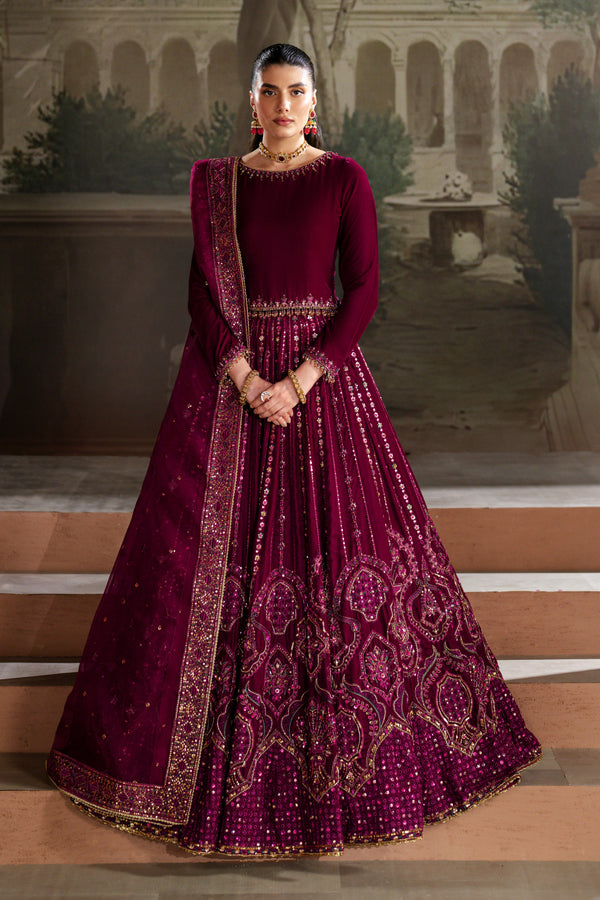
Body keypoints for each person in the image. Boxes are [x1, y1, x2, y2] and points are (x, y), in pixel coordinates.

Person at [46, 43, 541, 857]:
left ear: (317, 102)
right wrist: (245, 378)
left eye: (297, 93)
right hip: (235, 386)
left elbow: (365, 289)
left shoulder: (342, 178)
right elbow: (203, 296)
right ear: (252, 102)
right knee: (201, 567)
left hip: (322, 386)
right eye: (270, 93)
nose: (283, 106)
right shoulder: (217, 182)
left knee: (344, 563)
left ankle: (351, 764)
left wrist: (303, 378)